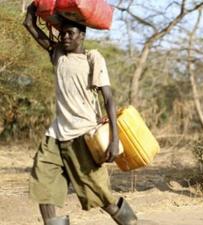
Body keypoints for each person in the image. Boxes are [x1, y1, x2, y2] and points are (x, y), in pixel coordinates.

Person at [23, 3, 137, 225]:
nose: (64, 37)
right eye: (62, 33)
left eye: (70, 33)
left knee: (101, 195)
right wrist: (32, 9)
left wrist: (114, 139)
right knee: (43, 184)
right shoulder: (57, 55)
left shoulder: (92, 58)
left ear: (81, 36)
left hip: (84, 135)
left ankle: (130, 222)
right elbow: (30, 25)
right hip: (56, 135)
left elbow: (109, 99)